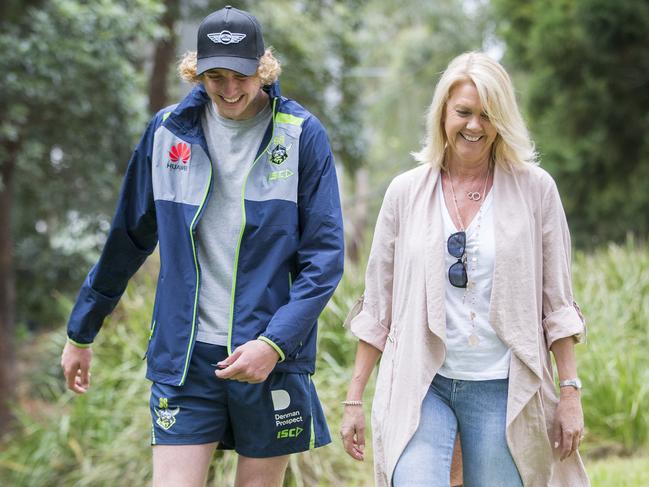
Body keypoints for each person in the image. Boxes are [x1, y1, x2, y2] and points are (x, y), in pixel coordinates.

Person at [60, 6, 344, 487]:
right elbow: (128, 238)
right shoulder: (168, 132)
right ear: (196, 70)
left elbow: (324, 260)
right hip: (185, 357)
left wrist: (274, 345)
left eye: (241, 75)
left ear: (264, 68)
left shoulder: (300, 136)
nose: (230, 89)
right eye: (216, 76)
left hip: (268, 360)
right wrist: (82, 331)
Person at [340, 51, 589, 487]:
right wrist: (353, 399)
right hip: (422, 383)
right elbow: (378, 306)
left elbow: (557, 302)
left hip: (502, 388)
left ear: (502, 121)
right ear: (442, 115)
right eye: (464, 113)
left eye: (487, 115)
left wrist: (570, 392)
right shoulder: (405, 193)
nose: (474, 125)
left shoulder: (535, 190)